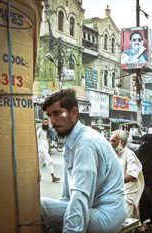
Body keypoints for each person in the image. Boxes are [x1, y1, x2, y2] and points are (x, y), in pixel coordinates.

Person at [40, 89, 127, 233]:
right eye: (50, 116)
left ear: (74, 113)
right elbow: (67, 197)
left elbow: (80, 197)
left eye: (57, 113)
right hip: (94, 209)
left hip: (107, 215)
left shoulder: (85, 143)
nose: (52, 121)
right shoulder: (71, 143)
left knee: (38, 206)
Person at [110, 129, 144, 218]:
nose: (111, 143)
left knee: (125, 221)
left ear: (123, 142)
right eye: (110, 141)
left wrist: (115, 181)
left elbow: (132, 176)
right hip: (114, 191)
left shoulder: (129, 154)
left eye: (114, 141)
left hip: (128, 192)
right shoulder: (112, 155)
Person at [36, 118, 60, 183]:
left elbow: (50, 139)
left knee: (39, 164)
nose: (46, 123)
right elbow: (35, 137)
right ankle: (53, 176)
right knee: (49, 161)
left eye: (47, 122)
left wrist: (49, 140)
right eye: (45, 122)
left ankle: (38, 176)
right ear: (42, 123)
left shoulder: (48, 130)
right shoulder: (40, 129)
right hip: (41, 148)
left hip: (45, 147)